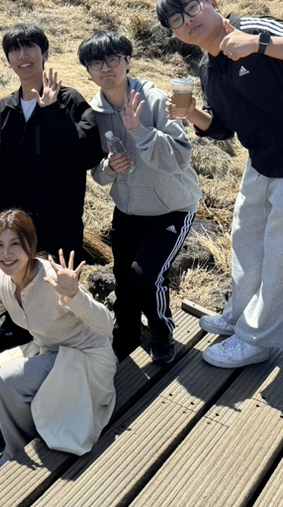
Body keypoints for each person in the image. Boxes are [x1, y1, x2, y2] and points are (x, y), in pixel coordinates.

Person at [156, 0, 283, 368]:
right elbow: (223, 127)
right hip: (260, 163)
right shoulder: (208, 68)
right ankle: (239, 315)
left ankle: (258, 339)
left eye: (192, 8)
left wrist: (258, 44)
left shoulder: (254, 29)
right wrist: (191, 113)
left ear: (213, 3)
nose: (187, 21)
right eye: (176, 20)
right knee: (246, 245)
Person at [78, 31, 202, 364]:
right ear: (88, 71)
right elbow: (98, 174)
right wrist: (110, 167)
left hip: (172, 207)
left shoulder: (155, 100)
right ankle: (127, 336)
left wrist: (139, 131)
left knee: (146, 276)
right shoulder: (94, 113)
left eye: (113, 59)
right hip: (129, 209)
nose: (106, 68)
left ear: (128, 61)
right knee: (123, 278)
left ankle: (162, 332)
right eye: (96, 63)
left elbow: (181, 157)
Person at [0, 209, 116, 463]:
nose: (6, 254)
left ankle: (17, 452)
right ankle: (47, 412)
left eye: (15, 244)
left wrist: (75, 295)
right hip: (47, 351)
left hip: (84, 359)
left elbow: (107, 326)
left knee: (8, 380)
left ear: (31, 245)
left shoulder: (53, 279)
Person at [0, 24, 103, 263]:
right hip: (15, 222)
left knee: (59, 283)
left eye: (29, 47)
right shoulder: (4, 108)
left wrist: (54, 111)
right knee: (15, 282)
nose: (23, 55)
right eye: (14, 50)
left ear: (45, 54)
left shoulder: (69, 100)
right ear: (8, 60)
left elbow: (88, 156)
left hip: (61, 222)